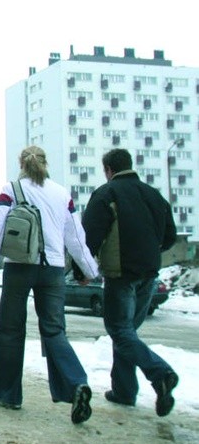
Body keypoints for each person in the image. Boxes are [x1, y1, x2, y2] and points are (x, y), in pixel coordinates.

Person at [0, 146, 99, 424]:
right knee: (54, 330)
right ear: (46, 163)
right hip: (53, 271)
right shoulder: (62, 193)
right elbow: (76, 237)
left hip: (19, 267)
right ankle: (76, 383)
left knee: (10, 330)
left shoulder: (11, 189)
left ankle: (8, 395)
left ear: (21, 163)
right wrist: (90, 270)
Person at [78, 148, 178, 417]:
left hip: (121, 274)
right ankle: (124, 391)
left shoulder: (107, 194)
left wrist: (81, 271)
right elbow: (170, 237)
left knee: (120, 330)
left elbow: (89, 237)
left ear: (108, 170)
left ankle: (161, 374)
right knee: (127, 333)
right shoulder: (153, 196)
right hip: (149, 273)